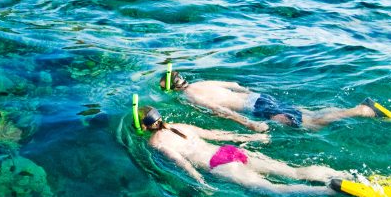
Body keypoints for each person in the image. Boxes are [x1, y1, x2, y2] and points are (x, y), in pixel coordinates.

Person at [139, 106, 353, 196]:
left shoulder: (156, 143)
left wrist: (200, 182)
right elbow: (216, 134)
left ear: (145, 126)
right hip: (228, 151)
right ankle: (340, 175)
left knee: (273, 189)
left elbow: (181, 162)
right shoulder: (180, 126)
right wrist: (250, 136)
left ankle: (328, 191)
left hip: (219, 165)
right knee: (293, 171)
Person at [160, 70, 379, 132]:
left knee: (310, 126)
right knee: (309, 112)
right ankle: (354, 109)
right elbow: (235, 85)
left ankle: (359, 111)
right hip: (259, 97)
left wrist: (248, 124)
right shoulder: (203, 82)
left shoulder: (191, 96)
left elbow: (220, 110)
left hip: (254, 108)